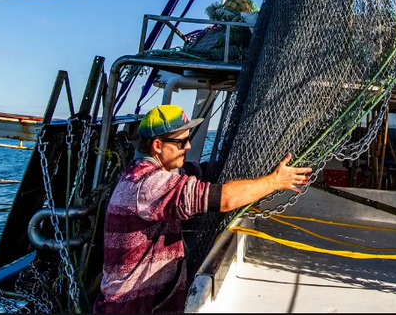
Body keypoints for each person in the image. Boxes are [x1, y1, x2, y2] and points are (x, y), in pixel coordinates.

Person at [97, 104, 311, 313]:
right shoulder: (148, 185)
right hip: (132, 306)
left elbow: (201, 171)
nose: (188, 147)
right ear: (157, 146)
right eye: (182, 142)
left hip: (152, 301)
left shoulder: (152, 172)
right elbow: (223, 199)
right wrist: (274, 181)